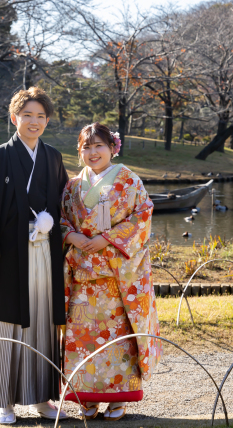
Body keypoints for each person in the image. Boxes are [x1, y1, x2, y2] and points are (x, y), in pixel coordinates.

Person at [0, 87, 70, 425]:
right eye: (27, 115)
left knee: (42, 321)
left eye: (41, 116)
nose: (34, 121)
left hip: (44, 251)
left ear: (47, 120)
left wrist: (54, 221)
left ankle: (41, 398)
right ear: (14, 118)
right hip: (8, 255)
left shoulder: (53, 157)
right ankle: (3, 403)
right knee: (5, 324)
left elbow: (64, 202)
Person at [60, 122, 161, 421]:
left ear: (112, 148)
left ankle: (119, 398)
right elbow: (61, 217)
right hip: (83, 277)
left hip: (117, 278)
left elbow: (142, 216)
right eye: (86, 147)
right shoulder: (73, 186)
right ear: (80, 152)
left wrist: (106, 238)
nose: (93, 153)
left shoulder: (129, 181)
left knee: (118, 338)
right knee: (82, 337)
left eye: (98, 146)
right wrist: (72, 237)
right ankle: (86, 396)